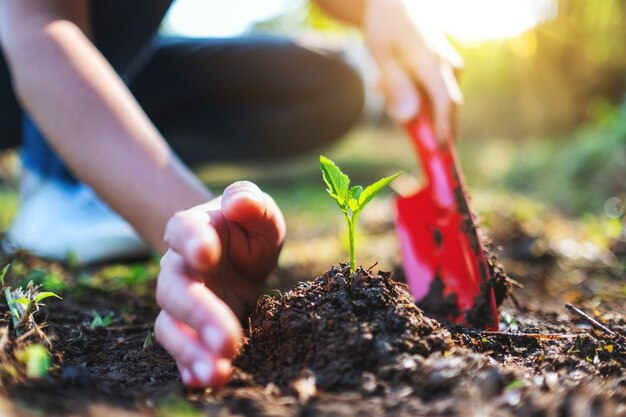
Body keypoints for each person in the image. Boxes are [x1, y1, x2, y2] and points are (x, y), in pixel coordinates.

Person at [0, 0, 462, 387]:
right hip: (25, 49)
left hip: (120, 61)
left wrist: (382, 8)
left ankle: (116, 159)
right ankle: (57, 179)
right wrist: (180, 211)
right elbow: (37, 24)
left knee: (331, 84)